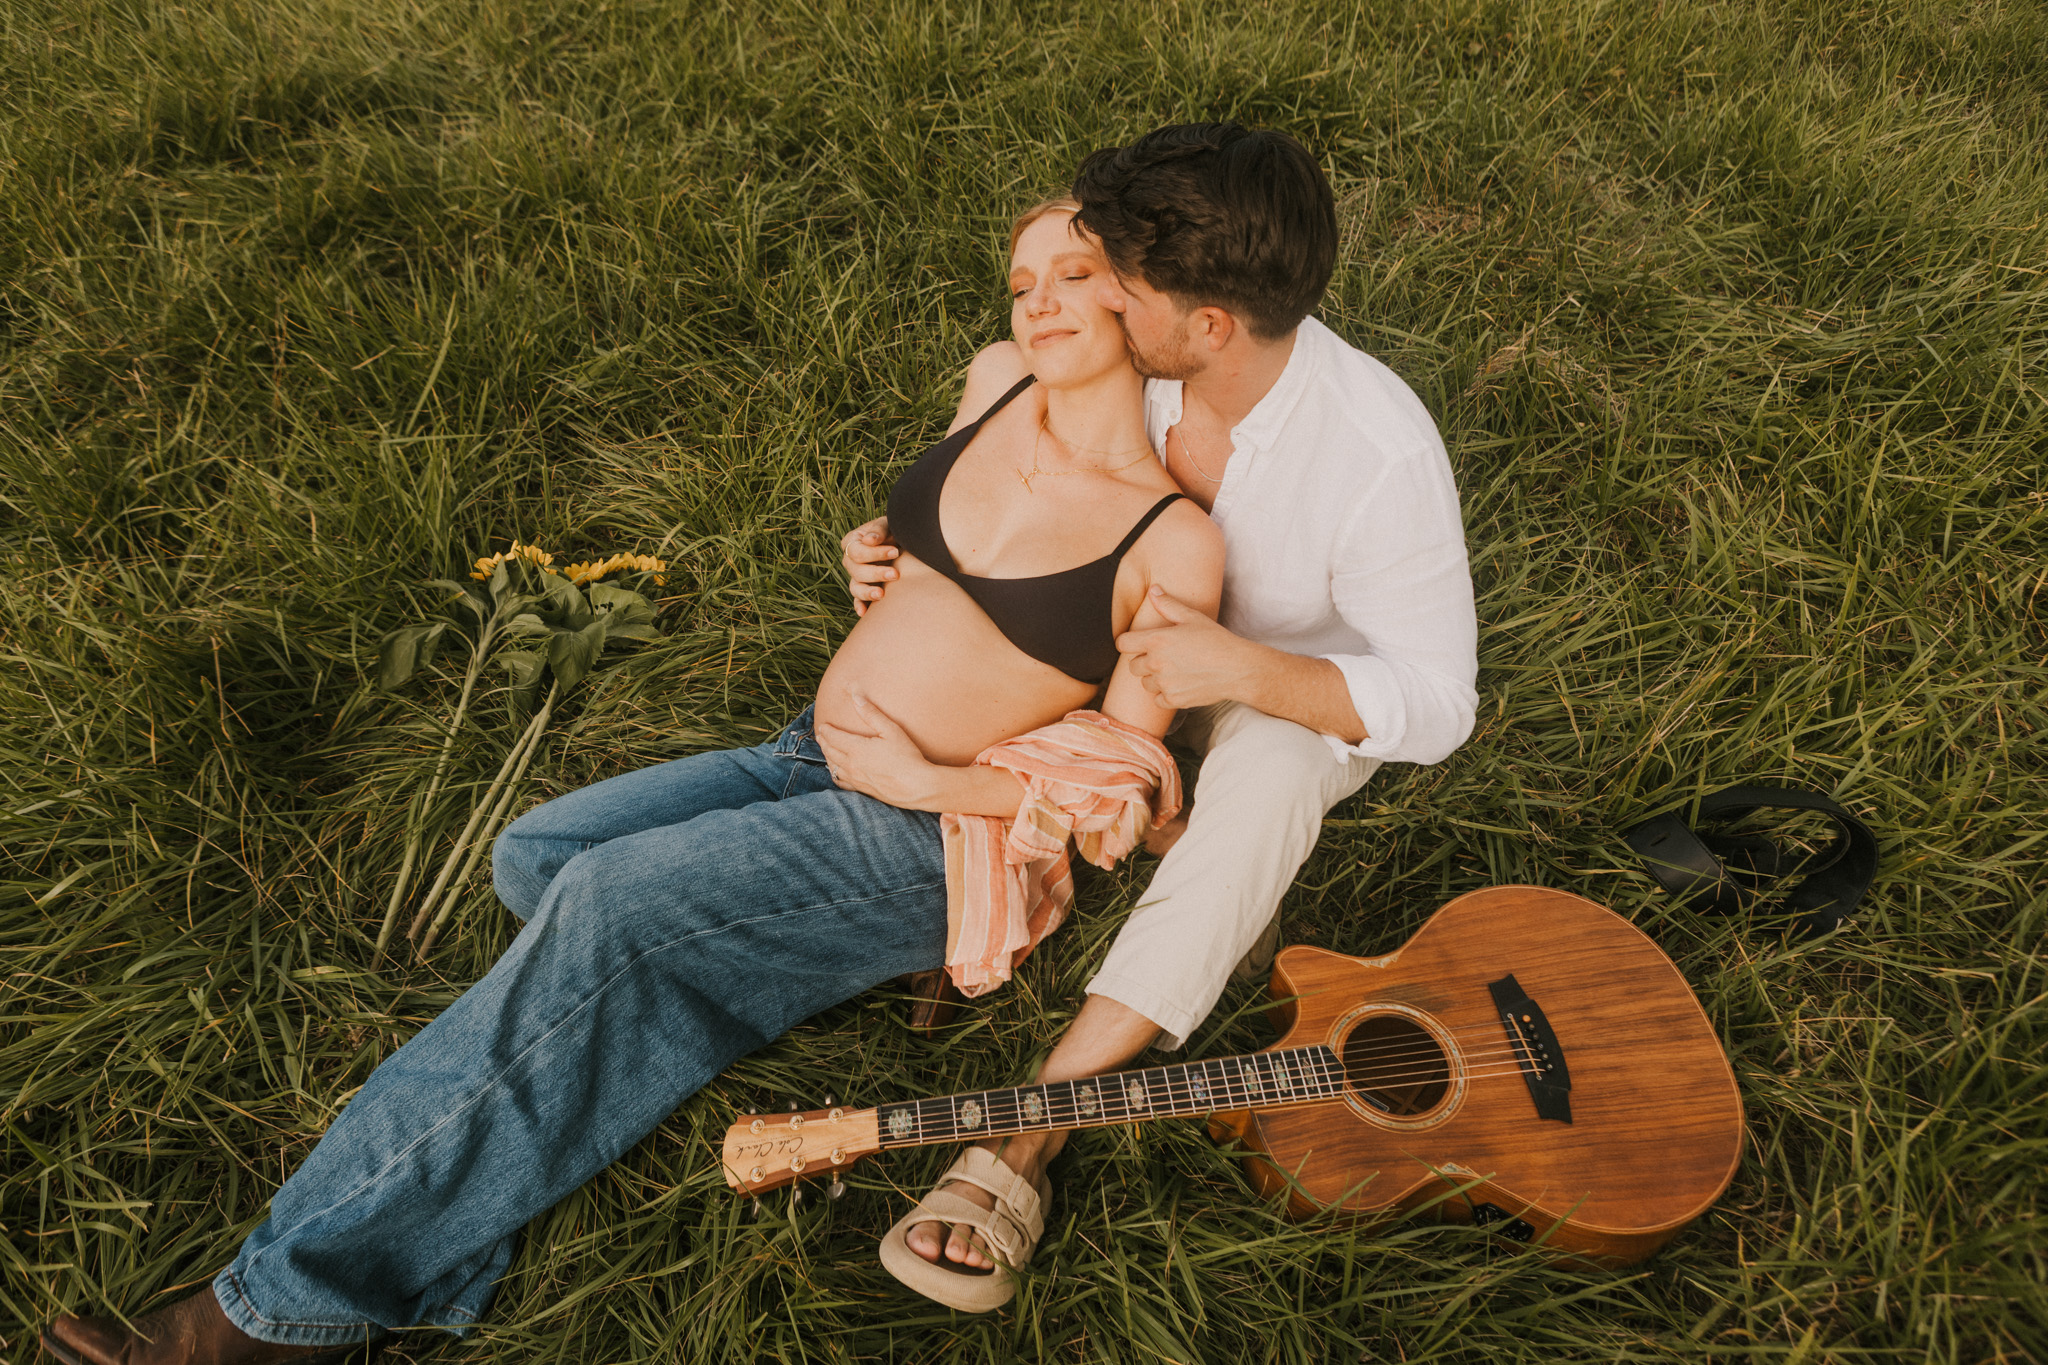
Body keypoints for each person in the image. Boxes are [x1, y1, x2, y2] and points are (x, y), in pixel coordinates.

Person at [38, 200, 1222, 1365]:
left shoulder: (1170, 537)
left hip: (927, 836)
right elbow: (941, 554)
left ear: (1135, 290)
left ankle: (280, 1307)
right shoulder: (994, 381)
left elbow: (1107, 804)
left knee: (612, 911)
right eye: (1020, 282)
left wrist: (917, 779)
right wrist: (884, 558)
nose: (1038, 302)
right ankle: (640, 1029)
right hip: (798, 753)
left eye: (1070, 274)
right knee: (539, 862)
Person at [840, 123, 1479, 1302]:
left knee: (1275, 784)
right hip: (1101, 640)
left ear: (1208, 328)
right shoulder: (1117, 360)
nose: (1081, 295)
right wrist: (914, 560)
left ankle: (1030, 1133)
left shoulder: (1379, 456)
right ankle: (1005, 860)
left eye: (1113, 286)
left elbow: (1438, 701)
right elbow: (999, 482)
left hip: (1267, 684)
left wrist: (1237, 671)